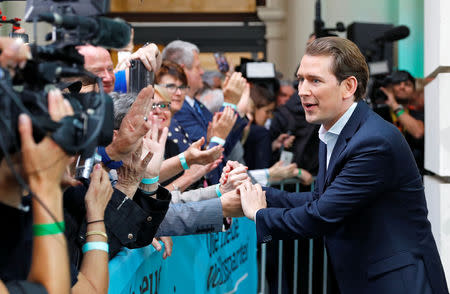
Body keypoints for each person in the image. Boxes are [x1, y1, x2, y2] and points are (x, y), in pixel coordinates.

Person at [238, 37, 448, 294]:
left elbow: (319, 215)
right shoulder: (333, 131)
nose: (302, 90)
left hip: (397, 284)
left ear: (348, 86)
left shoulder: (374, 141)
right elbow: (319, 198)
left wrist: (259, 214)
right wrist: (254, 192)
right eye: (301, 79)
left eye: (315, 80)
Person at [380, 70, 425, 173]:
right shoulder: (379, 113)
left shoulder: (418, 114)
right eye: (398, 83)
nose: (402, 87)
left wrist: (394, 105)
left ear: (414, 90)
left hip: (413, 174)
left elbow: (418, 132)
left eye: (407, 84)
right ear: (390, 88)